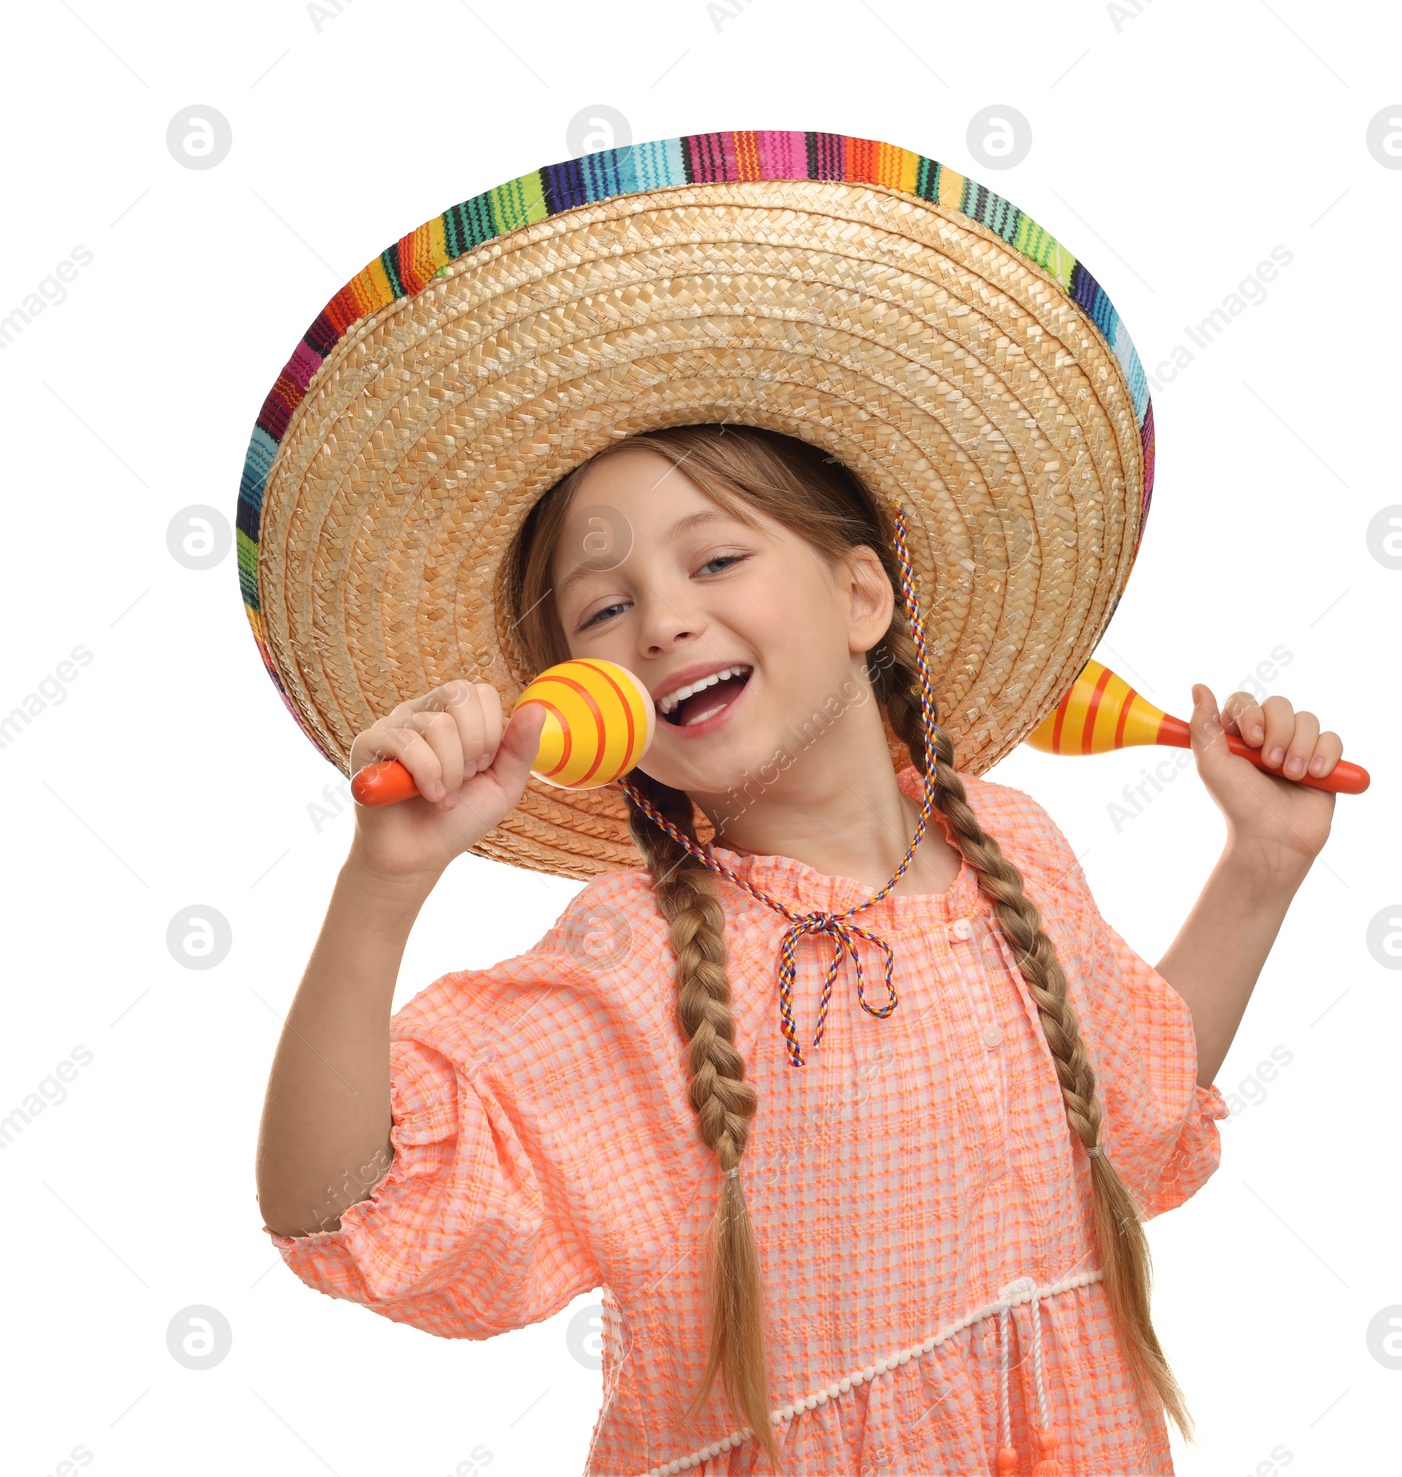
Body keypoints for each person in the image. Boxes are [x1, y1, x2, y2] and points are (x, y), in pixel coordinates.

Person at [245, 131, 1345, 1476]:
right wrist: (385, 881)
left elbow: (1138, 1109)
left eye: (716, 555)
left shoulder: (1014, 847)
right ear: (593, 710)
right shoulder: (635, 958)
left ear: (865, 598)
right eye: (605, 608)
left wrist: (1263, 864)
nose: (664, 618)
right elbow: (337, 1208)